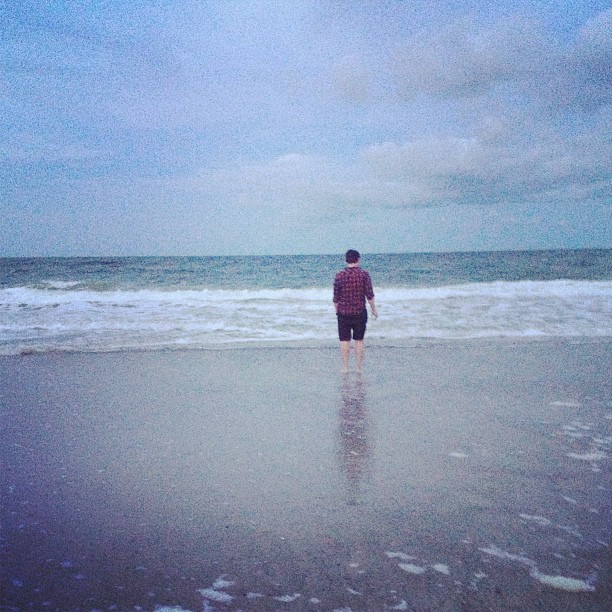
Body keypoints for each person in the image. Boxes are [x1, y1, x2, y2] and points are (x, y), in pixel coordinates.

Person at [333, 249, 378, 373]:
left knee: (344, 340)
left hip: (343, 312)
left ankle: (345, 367)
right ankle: (358, 368)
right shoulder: (364, 274)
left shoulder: (339, 275)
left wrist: (337, 311)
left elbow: (336, 298)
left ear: (346, 260)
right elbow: (370, 295)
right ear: (358, 259)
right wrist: (374, 309)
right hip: (359, 312)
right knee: (359, 340)